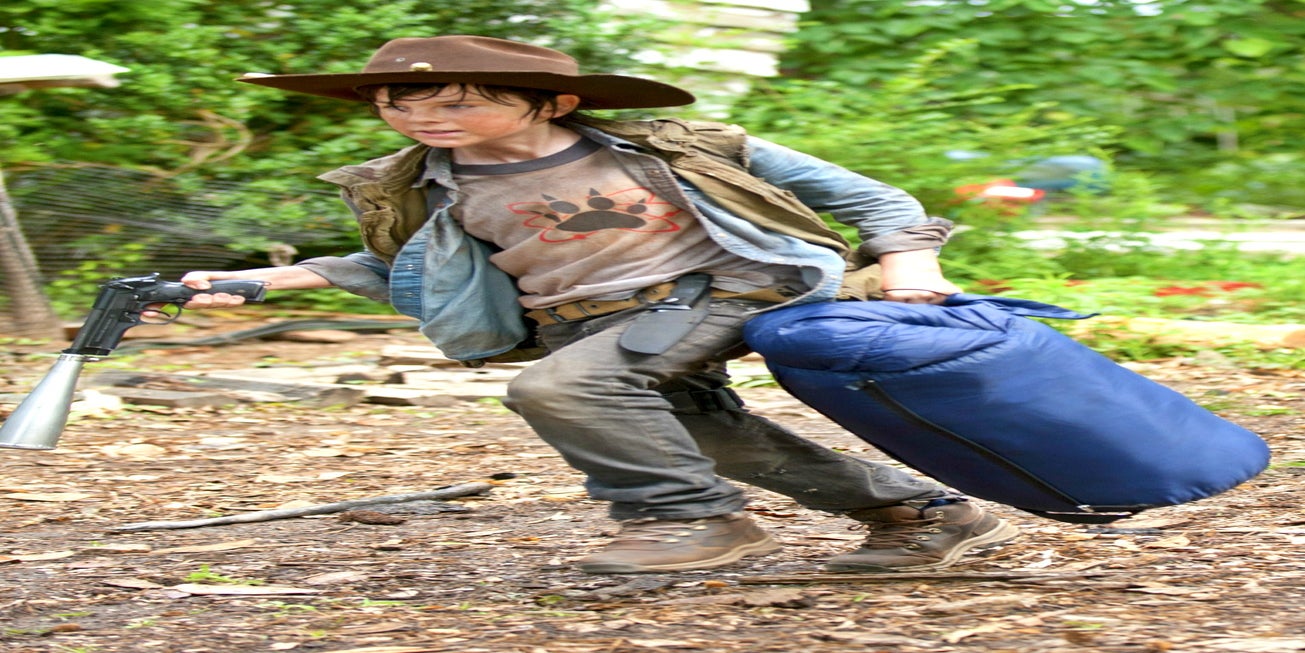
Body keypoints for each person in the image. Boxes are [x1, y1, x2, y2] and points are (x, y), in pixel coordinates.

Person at [179, 35, 1019, 574]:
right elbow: (403, 266)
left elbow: (869, 198)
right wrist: (257, 281)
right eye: (397, 103)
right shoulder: (419, 184)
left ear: (554, 103)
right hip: (586, 322)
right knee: (701, 433)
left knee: (562, 388)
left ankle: (688, 517)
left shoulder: (681, 148)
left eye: (458, 101)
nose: (421, 116)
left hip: (723, 290)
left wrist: (908, 260)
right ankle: (922, 512)